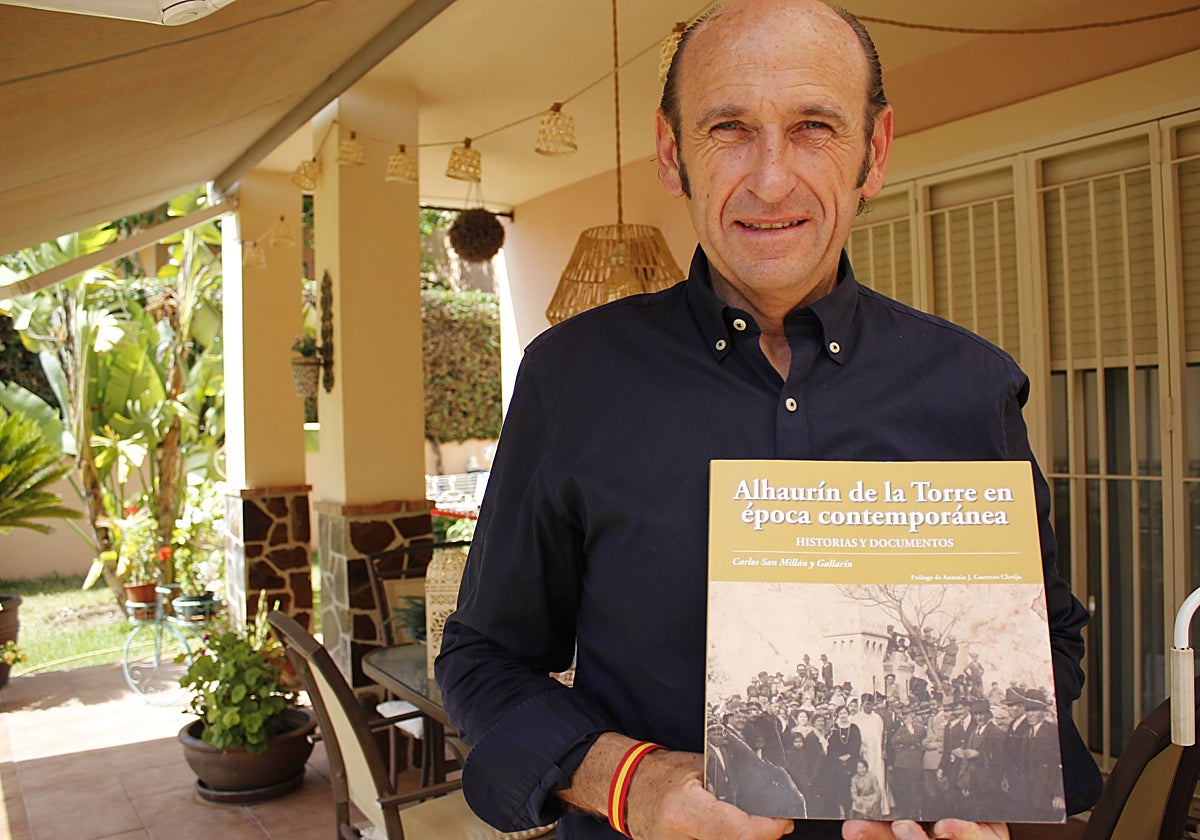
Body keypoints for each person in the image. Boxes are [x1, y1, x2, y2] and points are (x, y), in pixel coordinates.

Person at [436, 1, 1101, 838]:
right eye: (730, 128)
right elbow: (481, 659)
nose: (772, 179)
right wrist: (629, 783)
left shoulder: (970, 387)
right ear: (673, 154)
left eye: (815, 126)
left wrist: (982, 782)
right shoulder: (572, 378)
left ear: (875, 150)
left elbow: (1052, 638)